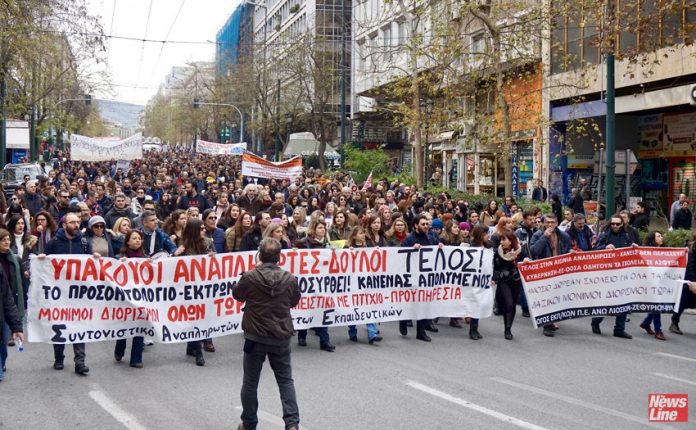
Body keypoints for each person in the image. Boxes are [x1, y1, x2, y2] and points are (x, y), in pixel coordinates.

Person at [233, 238, 301, 430]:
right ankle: (292, 424)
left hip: (256, 336)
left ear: (260, 255)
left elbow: (237, 295)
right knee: (285, 380)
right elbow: (294, 301)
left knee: (250, 382)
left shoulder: (250, 276)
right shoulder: (289, 278)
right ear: (279, 257)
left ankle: (249, 424)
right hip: (280, 336)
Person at [41, 212, 91, 375]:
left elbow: (90, 264)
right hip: (59, 293)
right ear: (64, 225)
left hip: (78, 292)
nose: (77, 225)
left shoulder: (84, 243)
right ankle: (59, 358)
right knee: (59, 325)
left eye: (78, 222)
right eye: (72, 222)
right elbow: (46, 266)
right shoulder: (54, 243)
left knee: (79, 326)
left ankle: (80, 362)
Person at [294, 218, 335, 351]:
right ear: (313, 230)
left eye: (324, 228)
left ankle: (325, 341)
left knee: (323, 309)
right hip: (308, 282)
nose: (323, 230)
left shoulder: (327, 244)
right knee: (307, 308)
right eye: (320, 228)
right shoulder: (304, 243)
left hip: (323, 282)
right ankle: (302, 334)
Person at [399, 214, 440, 342]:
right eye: (423, 224)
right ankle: (403, 320)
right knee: (410, 303)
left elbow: (435, 249)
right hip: (412, 276)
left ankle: (420, 332)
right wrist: (412, 249)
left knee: (423, 303)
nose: (426, 226)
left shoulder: (431, 237)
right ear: (416, 225)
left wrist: (441, 247)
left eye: (427, 224)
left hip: (425, 276)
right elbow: (401, 255)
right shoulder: (409, 239)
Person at [591, 215, 633, 339]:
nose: (615, 226)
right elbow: (593, 251)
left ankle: (619, 329)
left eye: (617, 224)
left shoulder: (626, 236)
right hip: (606, 274)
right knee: (605, 301)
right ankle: (596, 321)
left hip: (621, 273)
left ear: (622, 225)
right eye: (613, 224)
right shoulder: (605, 235)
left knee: (623, 301)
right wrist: (604, 248)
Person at [178, 218, 214, 365]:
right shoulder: (183, 246)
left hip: (204, 286)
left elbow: (216, 261)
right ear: (194, 230)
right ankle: (198, 352)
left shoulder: (208, 243)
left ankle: (191, 346)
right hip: (188, 288)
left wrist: (212, 257)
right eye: (201, 228)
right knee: (194, 317)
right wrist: (176, 255)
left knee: (201, 316)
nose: (204, 230)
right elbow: (172, 267)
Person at [530, 214, 571, 337]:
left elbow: (566, 250)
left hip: (559, 271)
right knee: (546, 299)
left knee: (555, 298)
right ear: (543, 223)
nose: (550, 225)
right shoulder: (538, 235)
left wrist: (570, 253)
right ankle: (547, 325)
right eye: (547, 222)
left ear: (557, 223)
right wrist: (544, 237)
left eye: (552, 222)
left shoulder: (564, 236)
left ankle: (552, 321)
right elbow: (534, 251)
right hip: (545, 272)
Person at [114, 230, 147, 367]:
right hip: (125, 298)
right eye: (134, 238)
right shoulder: (120, 257)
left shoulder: (145, 258)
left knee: (140, 326)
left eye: (139, 238)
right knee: (125, 326)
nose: (137, 240)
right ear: (128, 241)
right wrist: (118, 263)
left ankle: (136, 359)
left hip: (141, 298)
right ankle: (119, 349)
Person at [0, 228, 25, 383]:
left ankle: (2, 362)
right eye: (3, 239)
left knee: (4, 337)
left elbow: (20, 280)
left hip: (8, 301)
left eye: (8, 239)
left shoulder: (14, 258)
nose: (7, 242)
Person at [493, 230, 522, 340]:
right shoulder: (499, 252)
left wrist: (525, 260)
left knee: (513, 305)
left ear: (511, 241)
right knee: (509, 304)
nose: (501, 242)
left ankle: (508, 327)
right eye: (501, 239)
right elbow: (496, 266)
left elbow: (528, 259)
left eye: (504, 239)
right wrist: (495, 278)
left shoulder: (520, 250)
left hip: (516, 280)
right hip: (504, 280)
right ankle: (507, 329)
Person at [639, 231, 667, 341]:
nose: (661, 237)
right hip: (650, 282)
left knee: (656, 304)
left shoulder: (665, 250)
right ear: (653, 239)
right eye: (658, 236)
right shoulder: (647, 251)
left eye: (661, 235)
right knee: (657, 305)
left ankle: (646, 323)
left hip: (661, 282)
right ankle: (658, 330)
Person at [669, 231, 696, 335]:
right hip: (691, 281)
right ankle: (674, 321)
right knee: (683, 300)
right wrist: (693, 282)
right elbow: (690, 267)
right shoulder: (691, 249)